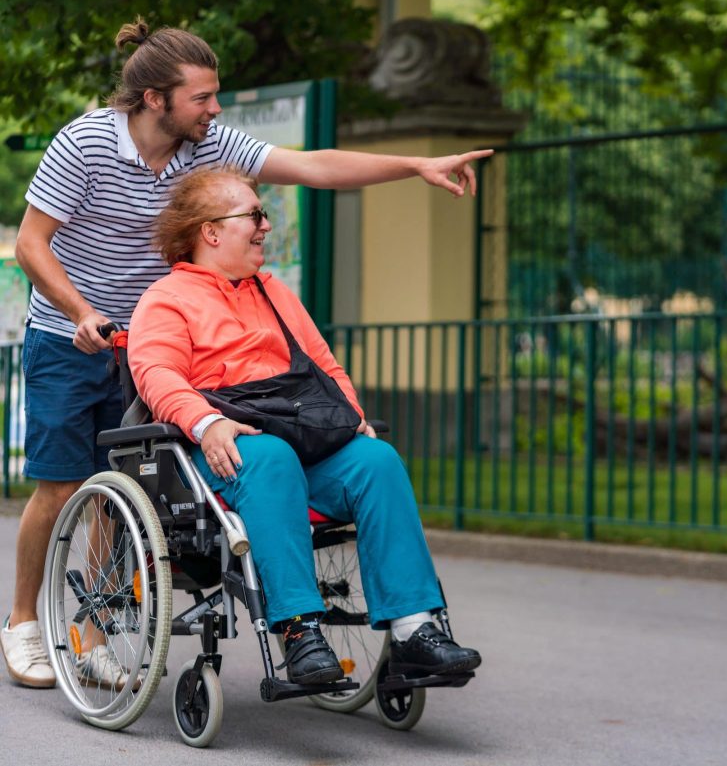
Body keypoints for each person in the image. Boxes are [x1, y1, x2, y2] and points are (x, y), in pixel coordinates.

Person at [0, 18, 491, 689]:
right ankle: (24, 619)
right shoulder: (84, 144)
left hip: (148, 331)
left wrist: (416, 166)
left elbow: (314, 165)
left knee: (118, 490)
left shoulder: (209, 146)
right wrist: (83, 312)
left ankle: (90, 634)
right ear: (154, 100)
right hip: (71, 328)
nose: (216, 108)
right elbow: (32, 244)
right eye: (202, 97)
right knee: (60, 485)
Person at [130, 167, 481, 683]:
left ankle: (414, 632)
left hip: (300, 438)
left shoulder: (273, 292)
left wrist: (352, 416)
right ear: (210, 232)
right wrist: (207, 423)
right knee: (270, 458)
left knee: (377, 460)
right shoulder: (167, 298)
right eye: (254, 215)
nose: (265, 226)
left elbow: (324, 366)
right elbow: (156, 374)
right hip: (227, 450)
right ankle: (298, 629)